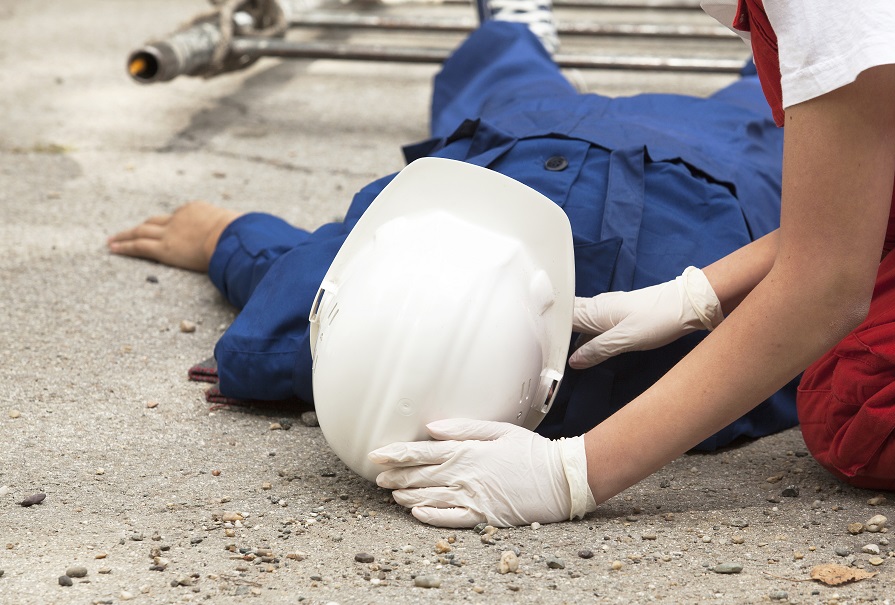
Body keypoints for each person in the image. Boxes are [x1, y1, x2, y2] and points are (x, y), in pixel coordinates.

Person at [109, 2, 800, 525]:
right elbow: (823, 293)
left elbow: (287, 276)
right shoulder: (331, 330)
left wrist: (226, 236)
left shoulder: (354, 339)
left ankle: (510, 26)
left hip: (525, 144)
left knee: (504, 80)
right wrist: (225, 234)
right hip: (664, 161)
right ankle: (771, 40)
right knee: (783, 92)